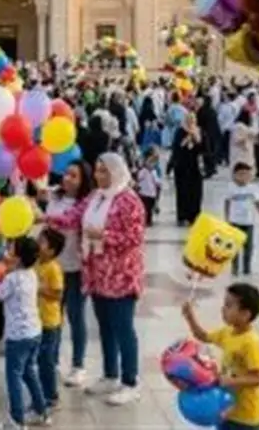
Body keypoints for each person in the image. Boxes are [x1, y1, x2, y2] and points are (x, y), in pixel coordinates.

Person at [68, 152, 146, 406]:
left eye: (105, 171)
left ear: (117, 172)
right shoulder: (96, 197)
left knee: (123, 328)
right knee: (104, 327)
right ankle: (110, 374)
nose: (99, 176)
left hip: (121, 275)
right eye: (98, 171)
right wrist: (44, 216)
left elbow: (134, 238)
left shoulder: (129, 201)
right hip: (98, 273)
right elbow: (74, 217)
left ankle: (130, 381)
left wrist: (104, 234)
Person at [180, 283, 259, 430]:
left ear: (245, 314)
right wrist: (190, 317)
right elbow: (202, 336)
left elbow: (257, 379)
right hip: (226, 409)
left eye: (228, 305)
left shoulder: (250, 343)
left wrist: (230, 381)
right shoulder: (227, 333)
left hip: (247, 417)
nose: (223, 309)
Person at [43, 160, 92, 387]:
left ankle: (78, 365)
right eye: (66, 174)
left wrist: (44, 218)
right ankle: (50, 360)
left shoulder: (87, 202)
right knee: (53, 315)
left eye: (74, 176)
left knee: (76, 315)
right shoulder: (55, 196)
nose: (68, 179)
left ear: (83, 180)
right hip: (54, 266)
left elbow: (69, 221)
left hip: (76, 268)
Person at [0, 236, 49, 430]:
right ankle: (41, 411)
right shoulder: (31, 274)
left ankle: (17, 420)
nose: (6, 254)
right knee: (28, 372)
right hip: (35, 332)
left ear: (17, 258)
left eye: (10, 251)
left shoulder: (12, 279)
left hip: (18, 336)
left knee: (14, 376)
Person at [35, 228, 66, 408]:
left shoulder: (53, 268)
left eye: (42, 242)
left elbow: (57, 294)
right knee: (40, 359)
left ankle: (51, 394)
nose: (38, 245)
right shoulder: (37, 263)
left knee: (47, 360)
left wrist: (39, 288)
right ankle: (42, 390)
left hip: (49, 322)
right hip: (37, 321)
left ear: (52, 250)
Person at [224, 162, 259, 276]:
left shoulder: (253, 189)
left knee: (248, 246)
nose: (244, 177)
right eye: (240, 174)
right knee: (234, 247)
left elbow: (258, 204)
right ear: (234, 175)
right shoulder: (231, 188)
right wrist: (226, 218)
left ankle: (247, 268)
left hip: (248, 222)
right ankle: (235, 268)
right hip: (234, 222)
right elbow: (227, 203)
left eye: (247, 174)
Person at [170, 114, 206, 226]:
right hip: (182, 167)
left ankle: (194, 215)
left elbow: (204, 148)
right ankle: (182, 216)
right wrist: (187, 138)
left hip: (195, 167)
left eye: (193, 120)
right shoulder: (180, 132)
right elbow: (177, 148)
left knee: (196, 192)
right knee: (183, 192)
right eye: (189, 120)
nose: (191, 122)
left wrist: (196, 137)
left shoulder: (199, 131)